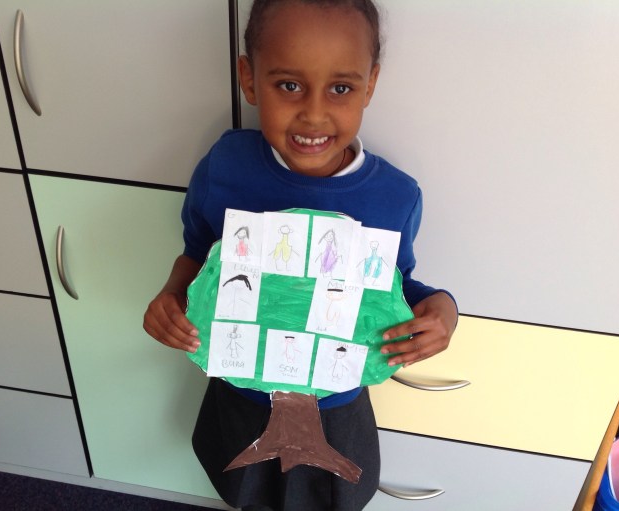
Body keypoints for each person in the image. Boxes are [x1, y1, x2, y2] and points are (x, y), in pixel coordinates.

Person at [143, 1, 458, 509]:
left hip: (335, 402)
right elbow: (198, 254)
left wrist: (442, 309)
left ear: (370, 85)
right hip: (240, 392)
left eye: (341, 88)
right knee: (243, 489)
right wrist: (171, 294)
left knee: (329, 497)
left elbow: (393, 288)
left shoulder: (395, 197)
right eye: (289, 85)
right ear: (249, 79)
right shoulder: (225, 167)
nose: (313, 113)